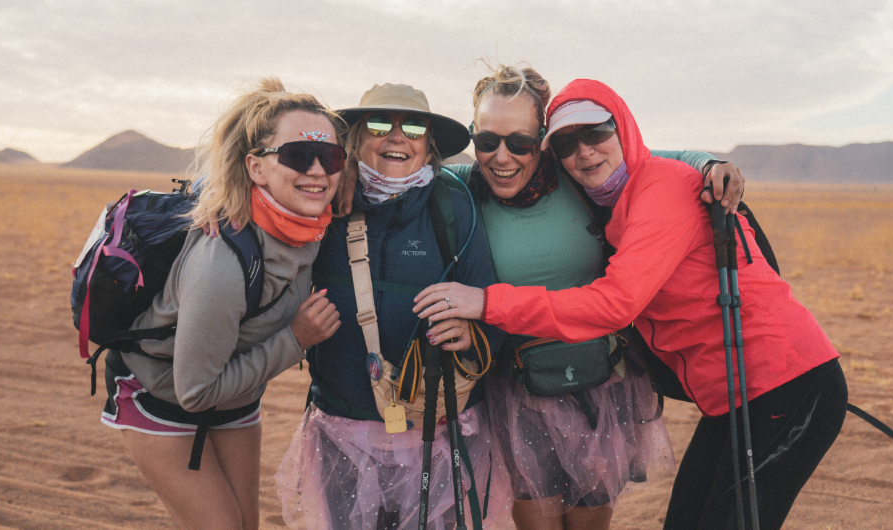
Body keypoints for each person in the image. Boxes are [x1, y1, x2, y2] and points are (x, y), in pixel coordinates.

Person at [414, 78, 848, 530]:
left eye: (597, 133)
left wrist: (488, 303)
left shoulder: (663, 189)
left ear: (623, 129)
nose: (585, 152)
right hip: (734, 395)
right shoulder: (613, 195)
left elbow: (616, 305)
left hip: (789, 384)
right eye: (567, 143)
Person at [441, 64, 744, 530]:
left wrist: (710, 164)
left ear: (543, 140)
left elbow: (667, 160)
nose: (502, 157)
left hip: (602, 383)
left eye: (520, 143)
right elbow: (405, 180)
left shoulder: (582, 177)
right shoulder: (465, 188)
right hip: (518, 390)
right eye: (486, 140)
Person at [100, 78, 344, 530]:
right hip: (161, 395)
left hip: (236, 397)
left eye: (330, 157)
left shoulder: (312, 225)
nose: (317, 171)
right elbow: (195, 392)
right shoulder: (220, 264)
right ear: (256, 168)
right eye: (297, 155)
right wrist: (296, 339)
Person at [274, 83, 507, 530]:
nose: (397, 136)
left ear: (429, 145)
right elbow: (252, 185)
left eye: (414, 127)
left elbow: (491, 305)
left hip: (438, 436)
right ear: (356, 138)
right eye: (380, 124)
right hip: (342, 432)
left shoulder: (454, 205)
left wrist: (473, 333)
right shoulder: (322, 196)